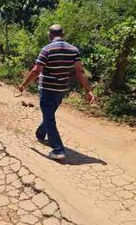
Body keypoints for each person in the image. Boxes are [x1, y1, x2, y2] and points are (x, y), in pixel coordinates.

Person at [18, 25, 95, 160]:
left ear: (50, 35)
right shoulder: (74, 50)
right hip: (61, 90)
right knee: (49, 114)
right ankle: (41, 134)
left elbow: (36, 70)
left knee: (49, 117)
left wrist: (24, 84)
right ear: (63, 34)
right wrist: (88, 90)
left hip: (47, 89)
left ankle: (58, 150)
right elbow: (80, 72)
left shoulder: (47, 49)